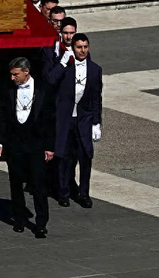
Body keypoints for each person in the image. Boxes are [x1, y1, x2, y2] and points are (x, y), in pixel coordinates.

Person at [0, 57, 56, 238]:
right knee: (15, 183)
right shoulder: (8, 89)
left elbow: (51, 120)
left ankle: (41, 223)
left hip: (36, 144)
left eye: (15, 74)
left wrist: (49, 146)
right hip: (15, 144)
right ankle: (19, 219)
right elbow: (1, 117)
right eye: (11, 75)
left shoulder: (43, 89)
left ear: (26, 71)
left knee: (38, 184)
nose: (12, 78)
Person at [47, 33, 102, 208]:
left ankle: (84, 194)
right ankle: (63, 192)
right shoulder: (65, 66)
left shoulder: (95, 69)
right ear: (73, 48)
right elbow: (50, 80)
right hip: (65, 119)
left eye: (85, 47)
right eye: (79, 47)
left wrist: (96, 122)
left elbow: (96, 98)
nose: (83, 50)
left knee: (85, 157)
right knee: (64, 157)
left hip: (83, 120)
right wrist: (63, 63)